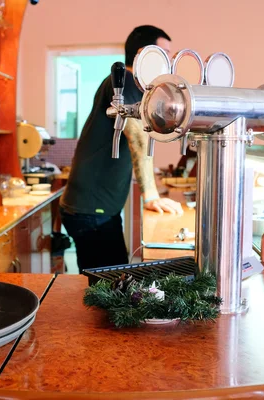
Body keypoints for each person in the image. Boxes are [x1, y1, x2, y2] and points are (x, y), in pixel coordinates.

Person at [60, 25, 183, 273]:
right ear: (144, 54)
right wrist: (151, 195)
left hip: (95, 207)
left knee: (113, 278)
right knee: (111, 285)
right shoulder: (124, 79)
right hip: (91, 209)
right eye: (165, 53)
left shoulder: (135, 88)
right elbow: (138, 136)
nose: (170, 61)